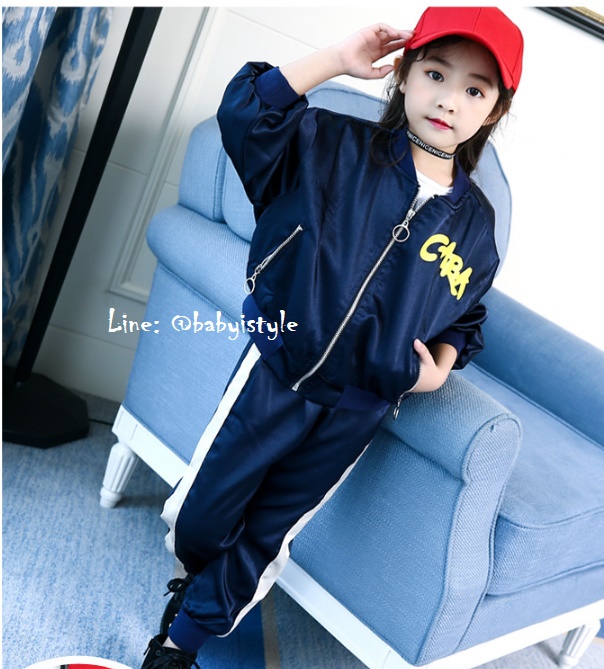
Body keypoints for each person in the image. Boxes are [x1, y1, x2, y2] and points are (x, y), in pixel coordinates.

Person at [140, 7, 524, 668]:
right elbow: (246, 112)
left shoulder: (476, 229)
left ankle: (181, 643)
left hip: (357, 407)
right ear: (403, 74)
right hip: (276, 371)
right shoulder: (329, 146)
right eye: (435, 73)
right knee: (202, 516)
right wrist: (337, 61)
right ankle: (196, 581)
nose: (448, 99)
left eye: (474, 89)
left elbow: (464, 319)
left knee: (268, 533)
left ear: (493, 111)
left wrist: (437, 369)